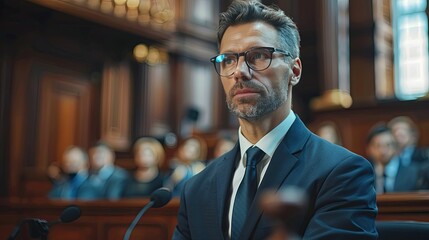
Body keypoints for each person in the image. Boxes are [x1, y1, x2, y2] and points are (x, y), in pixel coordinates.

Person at [173, 1, 377, 239]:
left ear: (295, 71)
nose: (239, 71)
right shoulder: (197, 188)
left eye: (258, 55)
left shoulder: (342, 172)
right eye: (228, 59)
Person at [384, 116, 429, 192]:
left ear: (413, 135)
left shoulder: (424, 156)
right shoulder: (384, 159)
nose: (399, 133)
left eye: (404, 130)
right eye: (395, 130)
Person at [365, 123, 397, 194]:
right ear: (369, 149)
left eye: (388, 145)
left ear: (396, 147)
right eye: (378, 146)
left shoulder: (413, 172)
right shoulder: (364, 173)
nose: (383, 151)